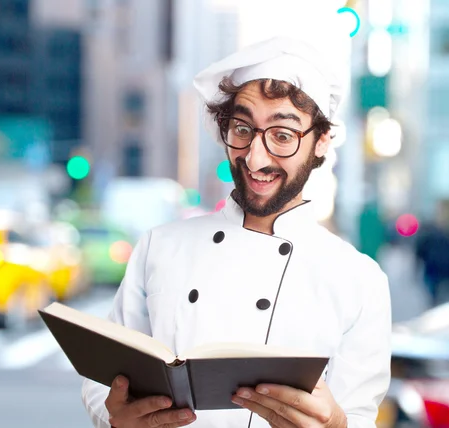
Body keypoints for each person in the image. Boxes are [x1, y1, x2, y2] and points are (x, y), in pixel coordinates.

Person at [81, 36, 392, 428]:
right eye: (242, 128)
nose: (255, 157)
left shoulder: (359, 280)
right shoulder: (159, 247)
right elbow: (102, 378)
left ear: (321, 142)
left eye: (282, 135)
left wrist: (336, 425)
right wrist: (116, 417)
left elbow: (360, 416)